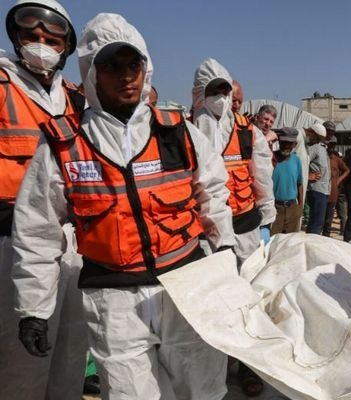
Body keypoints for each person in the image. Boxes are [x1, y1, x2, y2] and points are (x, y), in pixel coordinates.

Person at [12, 13, 235, 399]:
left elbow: (213, 195)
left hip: (185, 288)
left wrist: (226, 257)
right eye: (112, 66)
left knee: (203, 389)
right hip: (113, 301)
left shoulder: (177, 132)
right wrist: (33, 308)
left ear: (146, 70)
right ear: (91, 73)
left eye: (134, 64)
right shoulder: (65, 144)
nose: (126, 75)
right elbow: (37, 229)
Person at [0, 2, 88, 399]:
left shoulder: (74, 99)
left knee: (71, 347)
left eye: (51, 40)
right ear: (16, 37)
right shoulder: (3, 85)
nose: (41, 45)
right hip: (12, 244)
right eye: (31, 36)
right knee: (20, 358)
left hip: (71, 241)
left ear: (66, 47)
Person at [192, 58, 275, 397]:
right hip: (203, 237)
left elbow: (263, 178)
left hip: (245, 231)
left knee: (248, 301)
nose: (223, 100)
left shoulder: (247, 133)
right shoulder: (184, 131)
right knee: (210, 306)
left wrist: (267, 219)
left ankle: (248, 367)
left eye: (227, 93)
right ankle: (214, 369)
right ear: (199, 93)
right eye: (214, 92)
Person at [271, 127, 304, 234]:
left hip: (292, 208)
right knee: (273, 240)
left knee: (291, 241)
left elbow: (299, 184)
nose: (286, 145)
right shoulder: (271, 158)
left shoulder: (296, 160)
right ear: (279, 142)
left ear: (294, 144)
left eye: (289, 143)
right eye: (284, 142)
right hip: (274, 208)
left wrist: (300, 207)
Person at [305, 122, 330, 234]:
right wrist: (307, 176)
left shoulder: (323, 148)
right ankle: (311, 241)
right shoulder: (314, 147)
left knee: (319, 221)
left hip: (324, 190)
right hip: (316, 189)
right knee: (316, 222)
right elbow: (302, 162)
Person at [323, 136, 349, 237]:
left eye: (333, 144)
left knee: (328, 219)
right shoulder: (322, 156)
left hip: (333, 193)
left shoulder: (336, 159)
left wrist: (339, 180)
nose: (331, 146)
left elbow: (347, 170)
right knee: (320, 217)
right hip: (321, 192)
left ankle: (326, 237)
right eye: (330, 144)